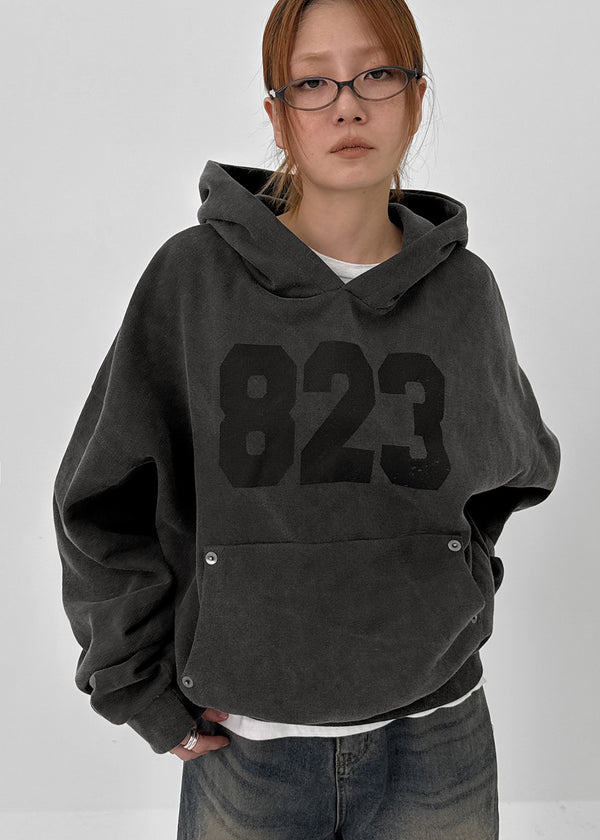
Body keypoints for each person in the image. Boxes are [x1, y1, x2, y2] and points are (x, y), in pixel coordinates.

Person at [52, 0, 561, 837]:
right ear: (278, 113)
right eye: (314, 82)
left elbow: (513, 471)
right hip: (246, 747)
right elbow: (101, 500)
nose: (347, 105)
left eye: (376, 74)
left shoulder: (463, 291)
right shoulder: (193, 280)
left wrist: (452, 577)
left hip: (440, 738)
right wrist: (138, 690)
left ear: (416, 98)